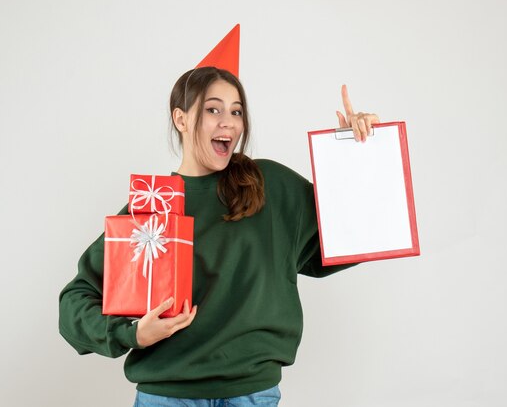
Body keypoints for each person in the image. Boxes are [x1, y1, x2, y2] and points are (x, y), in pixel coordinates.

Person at [59, 28, 379, 407]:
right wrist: (134, 335)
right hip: (167, 396)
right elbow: (75, 302)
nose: (228, 121)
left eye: (236, 111)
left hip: (252, 394)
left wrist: (353, 155)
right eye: (213, 109)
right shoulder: (153, 204)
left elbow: (357, 233)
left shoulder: (270, 185)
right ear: (181, 118)